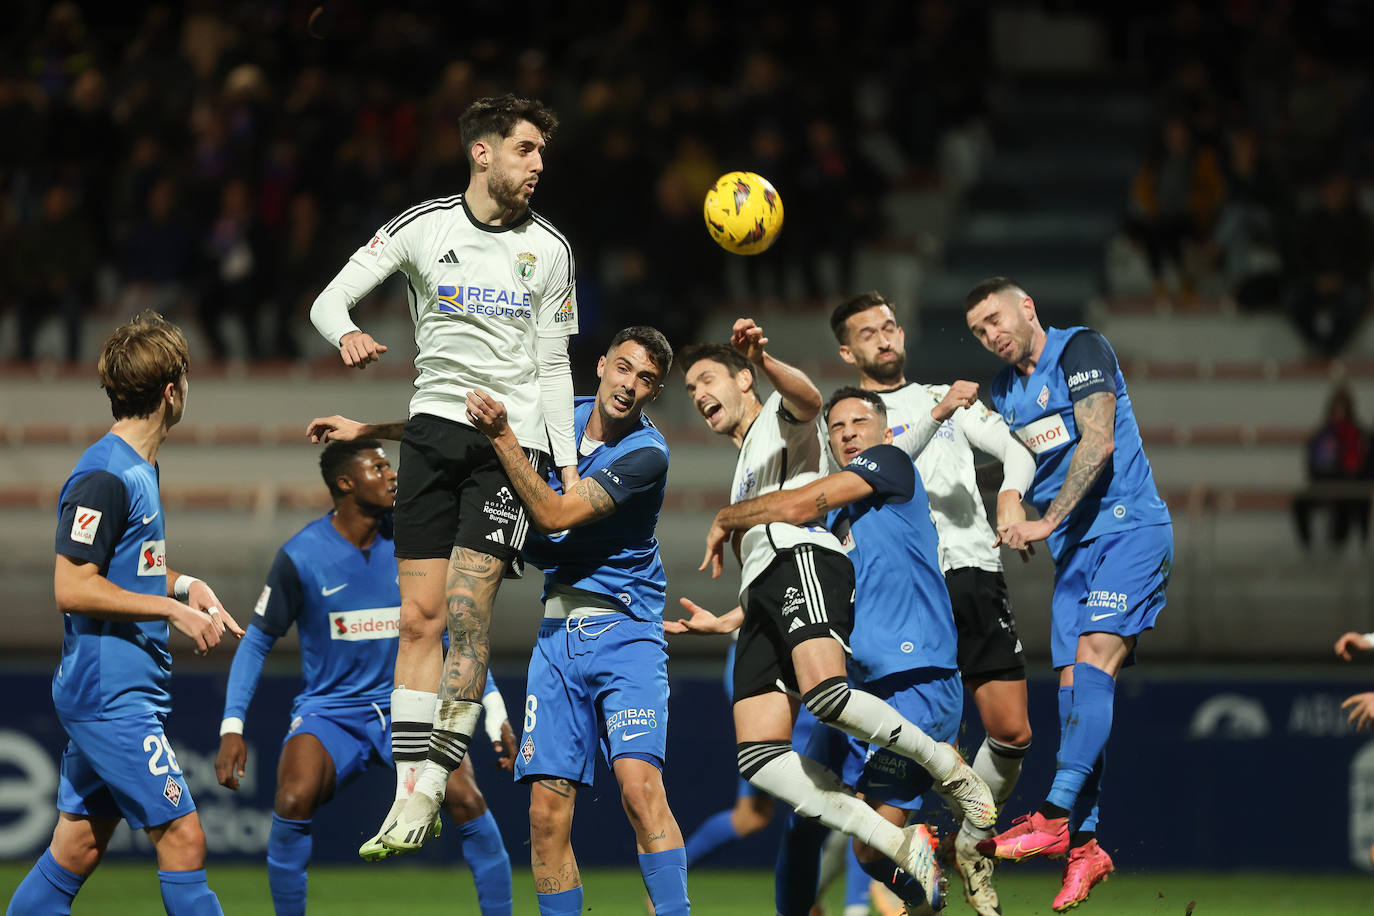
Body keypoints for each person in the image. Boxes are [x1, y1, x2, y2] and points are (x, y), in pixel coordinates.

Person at [306, 93, 580, 856]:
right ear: (482, 152)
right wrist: (350, 334)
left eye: (542, 153)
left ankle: (432, 787)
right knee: (418, 623)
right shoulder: (423, 227)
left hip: (504, 447)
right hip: (430, 438)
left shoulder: (551, 249)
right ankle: (406, 799)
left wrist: (562, 462)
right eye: (526, 149)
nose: (538, 165)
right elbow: (328, 301)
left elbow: (554, 363)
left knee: (465, 614)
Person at [675, 322, 996, 909]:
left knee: (829, 714)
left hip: (895, 655)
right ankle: (911, 865)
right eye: (839, 429)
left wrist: (730, 514)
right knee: (777, 783)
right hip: (816, 639)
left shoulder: (845, 444)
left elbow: (805, 410)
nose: (847, 433)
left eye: (707, 379)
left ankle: (950, 775)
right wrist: (735, 618)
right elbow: (783, 563)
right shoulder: (789, 483)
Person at [212, 439, 517, 916]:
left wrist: (494, 709)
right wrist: (233, 726)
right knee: (292, 797)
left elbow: (457, 634)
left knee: (465, 797)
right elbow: (255, 641)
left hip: (409, 702)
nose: (391, 474)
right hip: (333, 712)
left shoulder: (416, 546)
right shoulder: (300, 556)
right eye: (377, 467)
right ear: (345, 483)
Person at [6, 311, 245, 916]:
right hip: (110, 697)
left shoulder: (138, 470)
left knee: (77, 848)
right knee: (185, 838)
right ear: (172, 391)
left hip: (121, 691)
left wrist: (185, 585)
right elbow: (72, 585)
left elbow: (125, 571)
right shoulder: (104, 476)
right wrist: (167, 608)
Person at [463, 326, 690, 916]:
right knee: (544, 814)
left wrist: (504, 437)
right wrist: (369, 431)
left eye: (645, 379)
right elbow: (450, 432)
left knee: (640, 793)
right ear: (600, 366)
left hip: (627, 633)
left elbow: (556, 511)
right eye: (623, 368)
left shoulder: (646, 453)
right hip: (556, 637)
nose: (629, 386)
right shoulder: (556, 417)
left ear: (655, 391)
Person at [964, 278, 1174, 912]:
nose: (991, 334)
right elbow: (1012, 466)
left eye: (997, 319)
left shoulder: (1081, 349)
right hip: (1075, 556)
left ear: (1027, 307)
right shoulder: (1003, 392)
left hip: (1128, 529)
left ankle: (1054, 817)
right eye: (978, 330)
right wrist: (1005, 500)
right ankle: (1087, 847)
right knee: (1075, 695)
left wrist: (1045, 520)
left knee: (1092, 664)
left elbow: (1099, 439)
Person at [828, 291, 1035, 914]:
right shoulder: (844, 424)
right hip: (900, 598)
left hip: (968, 571)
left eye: (891, 325)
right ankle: (896, 878)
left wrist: (1010, 496)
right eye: (869, 332)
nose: (885, 338)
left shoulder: (941, 398)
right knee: (866, 803)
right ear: (847, 350)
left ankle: (967, 840)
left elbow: (1018, 451)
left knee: (1012, 731)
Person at [1292, 387, 1371, 551]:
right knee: (1299, 502)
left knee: (1348, 501)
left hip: (1351, 485)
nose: (1338, 415)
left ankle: (1346, 546)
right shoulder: (1322, 434)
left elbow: (1365, 465)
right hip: (1325, 483)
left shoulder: (1360, 434)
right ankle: (1307, 547)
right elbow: (1313, 465)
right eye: (1336, 410)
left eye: (1342, 411)